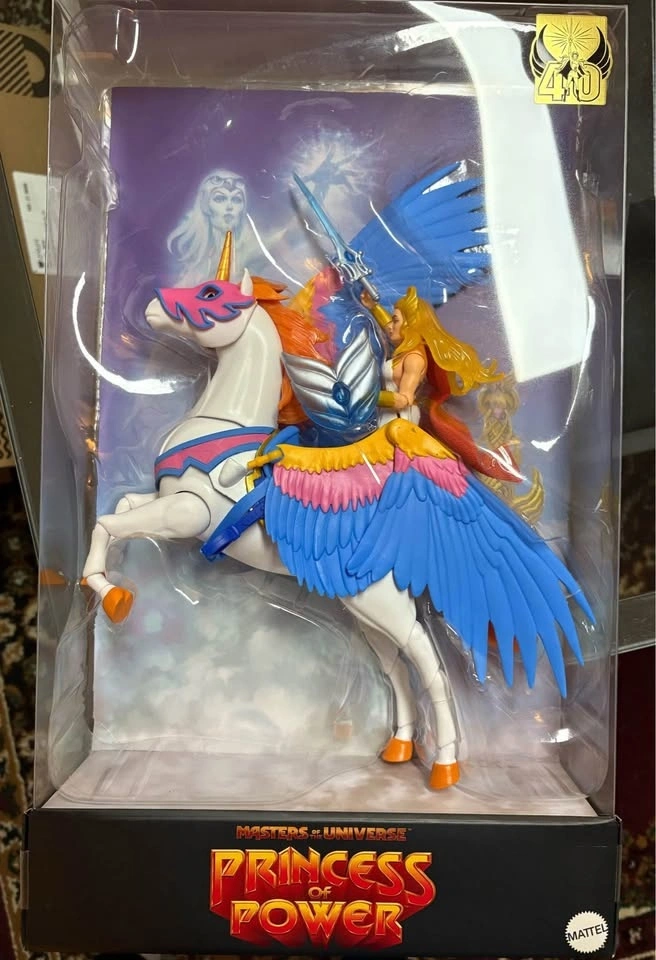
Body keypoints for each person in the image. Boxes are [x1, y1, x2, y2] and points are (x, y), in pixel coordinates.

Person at [361, 287, 519, 482]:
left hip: (400, 420)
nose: (391, 326)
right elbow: (389, 327)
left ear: (410, 326)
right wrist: (374, 307)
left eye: (396, 321)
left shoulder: (414, 358)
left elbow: (404, 399)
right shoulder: (405, 349)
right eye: (393, 320)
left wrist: (368, 397)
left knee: (387, 471)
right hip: (389, 418)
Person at [167, 169, 259, 284]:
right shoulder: (193, 257)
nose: (229, 207)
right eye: (220, 199)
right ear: (205, 205)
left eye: (236, 199)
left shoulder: (255, 251)